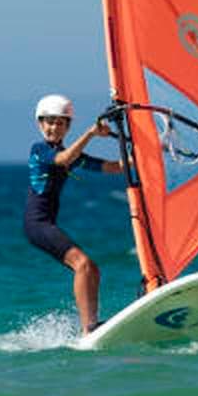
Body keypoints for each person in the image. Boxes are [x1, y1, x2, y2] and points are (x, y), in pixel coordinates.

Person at [23, 94, 122, 335]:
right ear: (40, 124)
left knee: (92, 269)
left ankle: (92, 325)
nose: (53, 127)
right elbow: (64, 159)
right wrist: (91, 133)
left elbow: (112, 167)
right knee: (83, 265)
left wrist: (148, 152)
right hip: (37, 224)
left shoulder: (72, 155)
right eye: (49, 122)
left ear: (67, 127)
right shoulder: (39, 150)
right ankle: (88, 329)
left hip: (47, 223)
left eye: (59, 123)